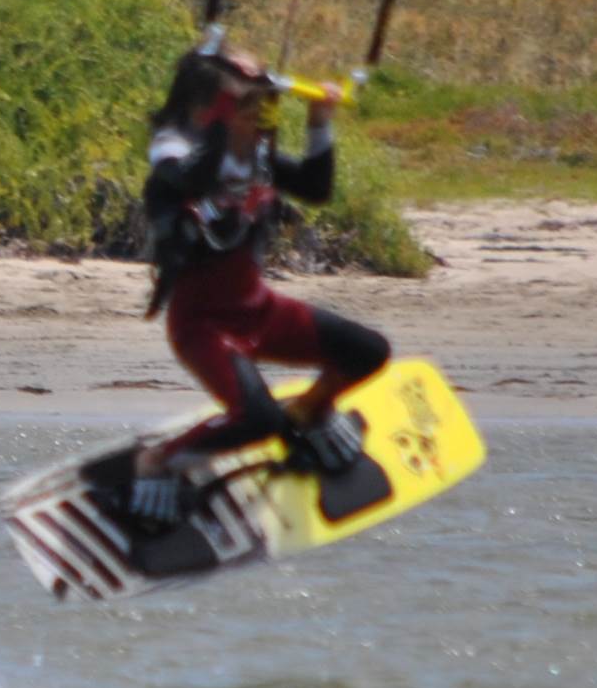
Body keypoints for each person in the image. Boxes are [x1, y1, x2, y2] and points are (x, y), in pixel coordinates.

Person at [114, 40, 390, 530]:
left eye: (262, 100)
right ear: (210, 113)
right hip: (205, 326)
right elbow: (191, 181)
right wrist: (227, 121)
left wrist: (319, 123)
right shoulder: (177, 167)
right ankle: (156, 460)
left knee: (368, 351)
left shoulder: (257, 160)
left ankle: (309, 412)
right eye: (246, 102)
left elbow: (316, 188)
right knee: (258, 420)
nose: (261, 110)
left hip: (260, 311)